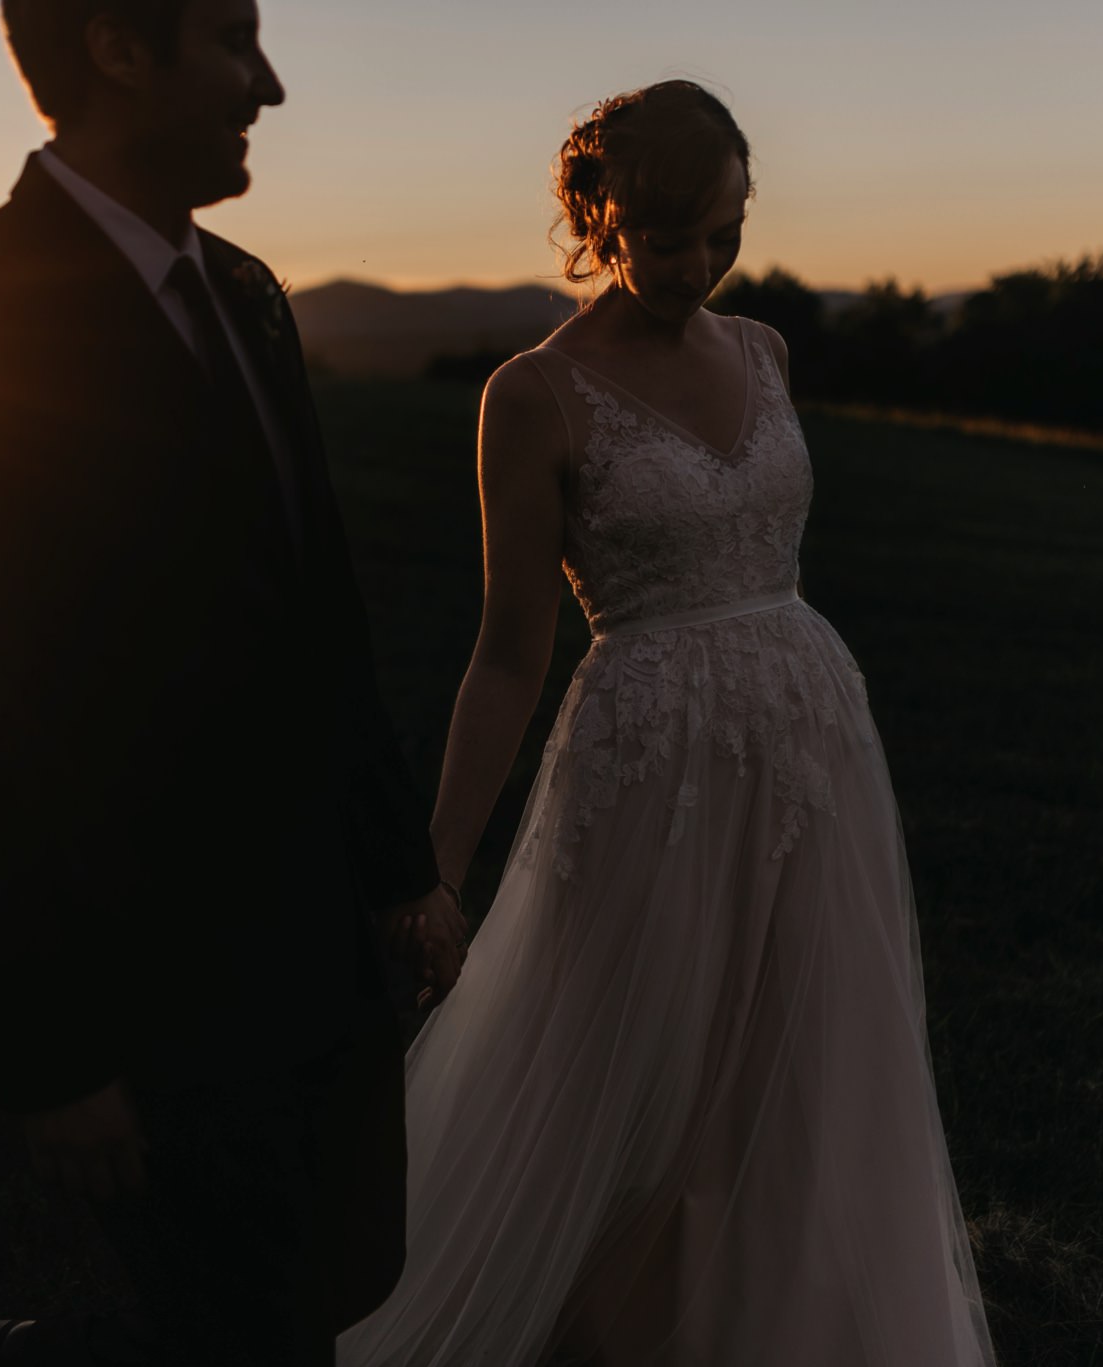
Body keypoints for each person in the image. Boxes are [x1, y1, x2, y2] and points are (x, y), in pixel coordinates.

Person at [0, 1, 465, 1361]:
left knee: (341, 1286)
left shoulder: (247, 293)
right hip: (154, 991)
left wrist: (399, 869)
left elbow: (318, 611)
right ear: (121, 49)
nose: (273, 85)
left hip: (320, 954)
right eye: (237, 42)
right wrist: (51, 1055)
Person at [336, 81, 998, 1365]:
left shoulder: (764, 351)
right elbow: (505, 649)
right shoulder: (533, 395)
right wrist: (434, 869)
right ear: (600, 216)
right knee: (635, 1072)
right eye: (668, 235)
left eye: (723, 231)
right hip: (651, 759)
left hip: (811, 737)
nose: (698, 265)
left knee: (802, 1061)